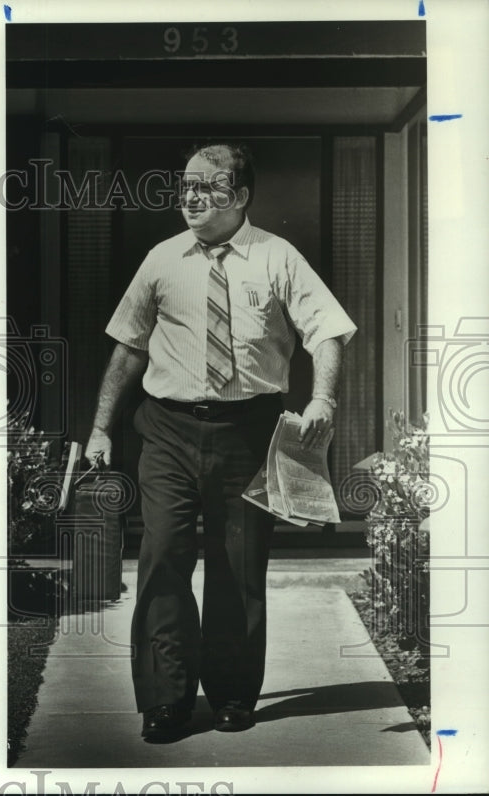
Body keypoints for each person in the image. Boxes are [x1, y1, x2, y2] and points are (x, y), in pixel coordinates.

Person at [84, 143, 357, 742]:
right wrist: (102, 427)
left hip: (248, 431)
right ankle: (166, 699)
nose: (191, 196)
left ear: (240, 196)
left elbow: (328, 331)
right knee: (162, 558)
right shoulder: (162, 260)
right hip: (166, 428)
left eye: (208, 187)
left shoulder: (277, 256)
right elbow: (128, 347)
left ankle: (233, 695)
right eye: (185, 185)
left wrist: (324, 399)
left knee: (237, 567)